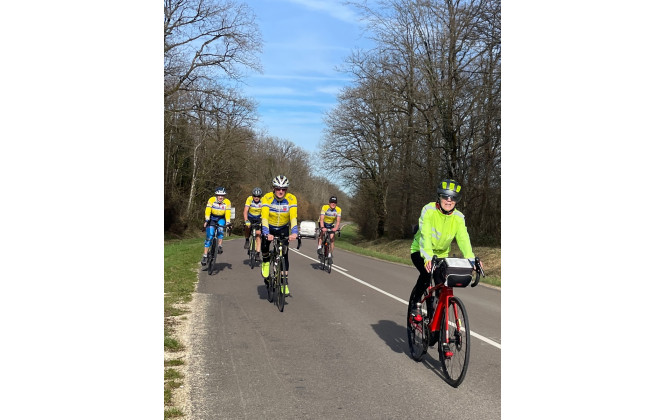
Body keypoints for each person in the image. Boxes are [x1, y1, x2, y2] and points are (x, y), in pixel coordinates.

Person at [408, 179, 483, 323]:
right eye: (445, 196)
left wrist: (471, 259)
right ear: (439, 197)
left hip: (441, 255)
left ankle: (437, 321)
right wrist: (428, 257)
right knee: (426, 274)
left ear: (456, 200)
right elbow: (425, 236)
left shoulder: (458, 217)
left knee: (443, 286)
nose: (449, 200)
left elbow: (463, 238)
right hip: (421, 251)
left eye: (453, 198)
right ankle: (416, 303)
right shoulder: (428, 210)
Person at [260, 175, 298, 296]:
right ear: (273, 188)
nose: (281, 191)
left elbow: (293, 218)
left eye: (283, 189)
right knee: (265, 246)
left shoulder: (291, 199)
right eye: (278, 188)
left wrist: (294, 232)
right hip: (269, 226)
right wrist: (266, 233)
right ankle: (266, 261)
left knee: (284, 254)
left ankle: (284, 283)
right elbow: (264, 217)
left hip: (283, 228)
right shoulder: (267, 198)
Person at [201, 186, 231, 266]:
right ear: (216, 195)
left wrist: (228, 222)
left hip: (221, 218)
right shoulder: (211, 200)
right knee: (210, 236)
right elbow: (208, 210)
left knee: (220, 229)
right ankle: (205, 255)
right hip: (212, 218)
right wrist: (207, 220)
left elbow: (228, 213)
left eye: (222, 195)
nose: (221, 197)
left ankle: (220, 245)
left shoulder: (227, 202)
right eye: (219, 195)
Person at [317, 196, 341, 264]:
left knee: (332, 238)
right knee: (323, 232)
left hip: (331, 224)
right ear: (329, 203)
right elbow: (321, 219)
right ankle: (319, 247)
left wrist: (336, 228)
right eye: (332, 202)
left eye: (335, 203)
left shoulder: (338, 209)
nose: (333, 204)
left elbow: (338, 221)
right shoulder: (325, 207)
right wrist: (322, 227)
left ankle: (330, 255)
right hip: (323, 222)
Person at [243, 187, 263, 253]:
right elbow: (245, 210)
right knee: (247, 226)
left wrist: (263, 222)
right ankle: (247, 239)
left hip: (259, 218)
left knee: (258, 235)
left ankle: (257, 253)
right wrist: (246, 220)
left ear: (260, 196)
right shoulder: (249, 199)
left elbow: (264, 212)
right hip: (250, 217)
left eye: (258, 196)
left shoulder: (263, 200)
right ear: (252, 196)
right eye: (254, 196)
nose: (256, 198)